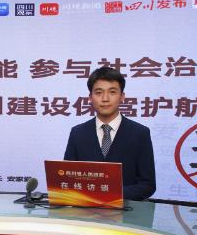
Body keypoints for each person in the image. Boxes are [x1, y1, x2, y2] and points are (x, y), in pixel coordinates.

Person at [63, 66, 156, 200]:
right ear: (90, 98)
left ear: (122, 97)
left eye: (112, 92)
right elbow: (67, 178)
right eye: (98, 92)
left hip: (127, 210)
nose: (105, 98)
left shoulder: (140, 133)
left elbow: (148, 185)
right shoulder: (77, 133)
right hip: (85, 210)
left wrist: (109, 194)